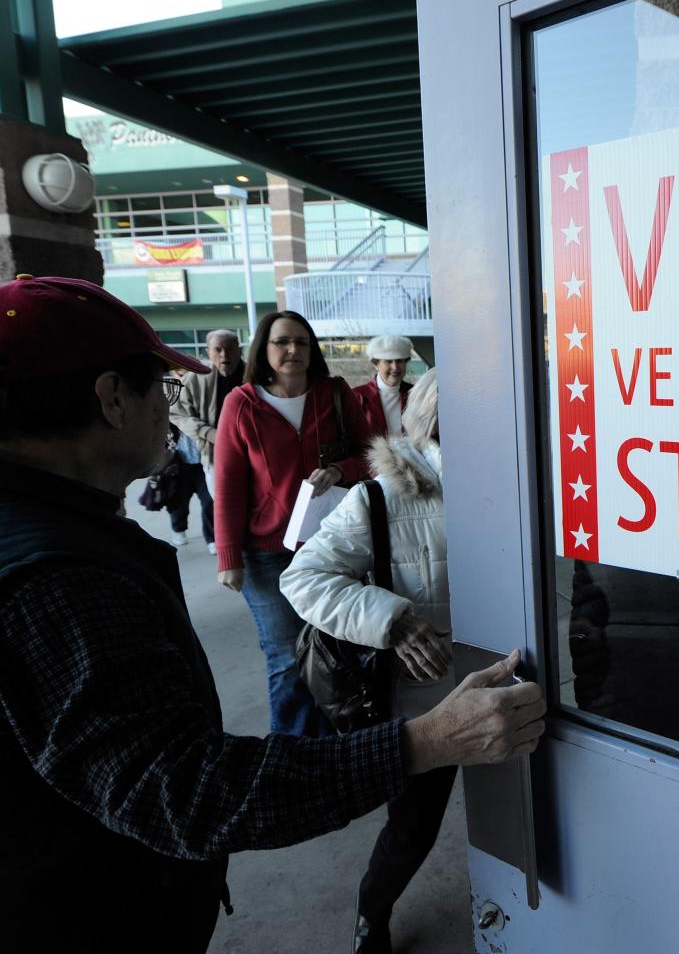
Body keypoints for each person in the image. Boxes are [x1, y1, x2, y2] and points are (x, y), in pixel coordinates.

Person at [0, 276, 544, 954]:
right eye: (159, 391)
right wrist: (425, 742)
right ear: (110, 399)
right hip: (56, 924)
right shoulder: (48, 582)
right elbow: (189, 795)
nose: (170, 414)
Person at [281, 368, 454, 954]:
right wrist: (394, 620)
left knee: (530, 816)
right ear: (435, 417)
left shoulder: (527, 480)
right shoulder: (380, 497)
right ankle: (370, 915)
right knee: (413, 829)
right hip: (427, 703)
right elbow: (303, 578)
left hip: (517, 681)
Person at [214, 311, 372, 736]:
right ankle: (294, 755)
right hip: (267, 555)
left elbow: (373, 457)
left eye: (302, 342)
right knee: (286, 659)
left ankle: (340, 743)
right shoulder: (242, 403)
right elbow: (228, 483)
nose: (293, 350)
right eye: (282, 341)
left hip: (333, 547)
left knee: (337, 649)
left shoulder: (335, 394)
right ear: (263, 350)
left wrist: (340, 470)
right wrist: (228, 556)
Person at [171, 328, 245, 553]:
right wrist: (208, 433)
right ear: (208, 351)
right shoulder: (195, 378)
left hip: (257, 451)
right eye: (218, 349)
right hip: (214, 453)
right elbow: (176, 413)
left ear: (239, 350)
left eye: (230, 348)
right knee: (221, 503)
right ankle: (229, 549)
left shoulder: (255, 373)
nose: (224, 356)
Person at [351, 334, 415, 442]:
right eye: (388, 361)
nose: (395, 367)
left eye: (399, 361)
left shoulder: (415, 394)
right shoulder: (357, 397)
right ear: (376, 364)